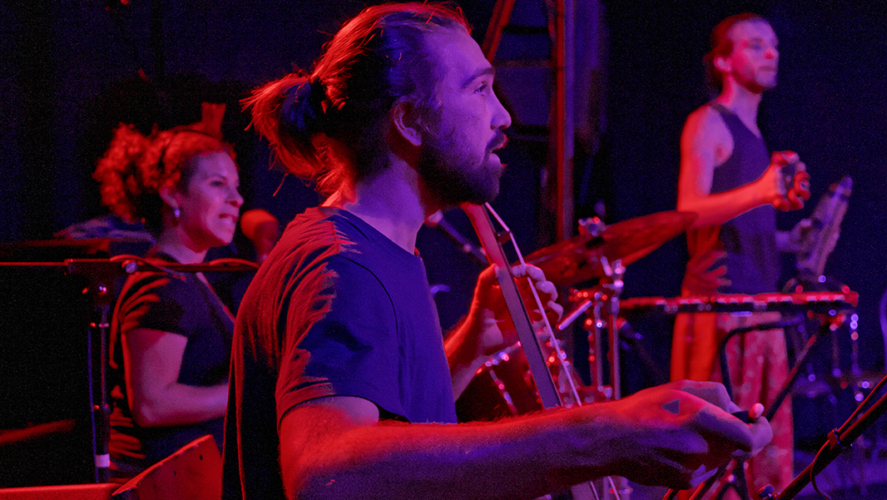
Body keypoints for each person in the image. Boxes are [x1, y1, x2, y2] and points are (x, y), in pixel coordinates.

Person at [223, 4, 772, 500]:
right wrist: (605, 435)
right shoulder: (342, 267)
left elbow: (392, 423)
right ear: (410, 120)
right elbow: (325, 475)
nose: (503, 116)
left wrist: (468, 348)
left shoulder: (381, 251)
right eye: (480, 89)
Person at [670, 13, 809, 496]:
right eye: (755, 45)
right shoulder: (708, 122)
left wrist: (789, 239)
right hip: (722, 309)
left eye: (773, 45)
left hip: (759, 307)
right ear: (724, 62)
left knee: (763, 458)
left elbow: (738, 223)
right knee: (717, 456)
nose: (771, 53)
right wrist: (763, 190)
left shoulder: (753, 132)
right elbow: (689, 211)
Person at [97, 120, 244, 479]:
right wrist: (247, 391)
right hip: (161, 484)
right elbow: (152, 404)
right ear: (172, 194)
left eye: (236, 187)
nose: (236, 199)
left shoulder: (189, 278)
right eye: (217, 184)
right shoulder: (162, 285)